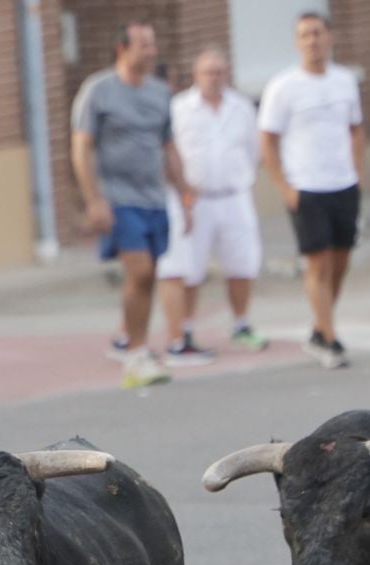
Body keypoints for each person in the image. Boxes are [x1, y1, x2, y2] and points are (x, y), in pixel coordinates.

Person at [70, 20, 189, 391]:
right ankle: (136, 351)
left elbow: (168, 146)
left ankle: (135, 345)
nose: (152, 52)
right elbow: (82, 147)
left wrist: (185, 192)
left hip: (154, 198)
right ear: (123, 49)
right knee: (138, 271)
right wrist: (94, 199)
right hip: (118, 199)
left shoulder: (159, 93)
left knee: (151, 273)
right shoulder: (99, 91)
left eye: (153, 45)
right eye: (144, 46)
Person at [260, 11, 364, 371]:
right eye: (305, 35)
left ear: (329, 38)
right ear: (296, 42)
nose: (312, 41)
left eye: (318, 33)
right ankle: (330, 339)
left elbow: (356, 129)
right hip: (306, 186)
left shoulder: (344, 80)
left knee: (341, 260)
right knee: (317, 262)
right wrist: (284, 186)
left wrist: (358, 172)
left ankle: (320, 328)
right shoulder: (283, 86)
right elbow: (268, 139)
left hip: (343, 184)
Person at [156, 48, 267, 364]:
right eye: (208, 72)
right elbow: (170, 150)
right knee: (189, 267)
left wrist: (240, 177)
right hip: (195, 199)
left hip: (233, 195)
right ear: (196, 75)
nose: (214, 78)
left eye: (219, 71)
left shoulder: (241, 106)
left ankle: (242, 324)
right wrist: (183, 190)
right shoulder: (180, 108)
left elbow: (252, 150)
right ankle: (186, 328)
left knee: (242, 263)